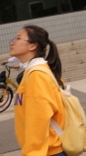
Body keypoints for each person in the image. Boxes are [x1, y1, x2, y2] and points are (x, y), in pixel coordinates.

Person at [10, 25, 66, 156]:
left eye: (18, 38)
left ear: (32, 46)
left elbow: (38, 121)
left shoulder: (37, 75)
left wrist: (33, 153)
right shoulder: (34, 71)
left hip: (46, 151)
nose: (12, 42)